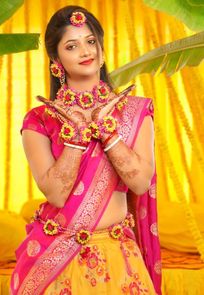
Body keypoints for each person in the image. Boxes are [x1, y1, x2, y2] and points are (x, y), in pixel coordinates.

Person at [10, 5, 161, 295]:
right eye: (72, 45)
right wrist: (76, 137)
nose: (85, 51)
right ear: (56, 60)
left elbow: (140, 183)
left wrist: (109, 134)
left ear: (102, 50)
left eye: (91, 41)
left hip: (119, 258)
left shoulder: (134, 111)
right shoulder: (39, 119)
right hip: (56, 258)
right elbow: (55, 193)